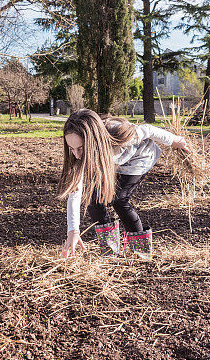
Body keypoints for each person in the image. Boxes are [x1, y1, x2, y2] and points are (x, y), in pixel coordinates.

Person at [57, 109, 189, 258]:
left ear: (94, 141)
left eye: (80, 148)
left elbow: (149, 130)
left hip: (140, 157)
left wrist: (174, 141)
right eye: (72, 149)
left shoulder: (120, 134)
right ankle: (109, 251)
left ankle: (141, 252)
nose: (77, 155)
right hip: (111, 161)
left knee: (118, 198)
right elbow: (75, 191)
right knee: (93, 200)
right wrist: (73, 231)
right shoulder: (78, 155)